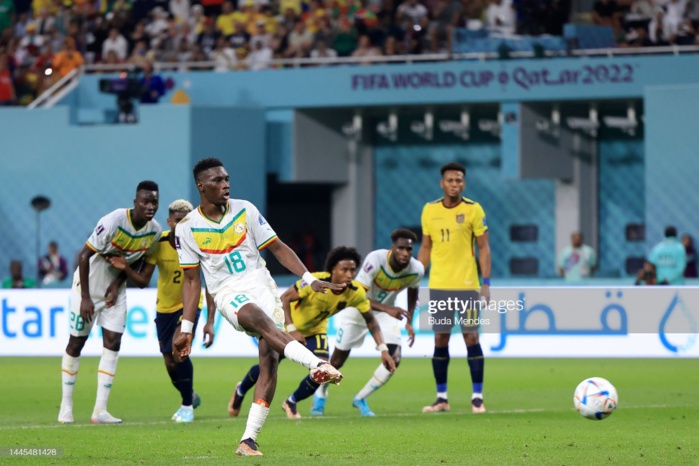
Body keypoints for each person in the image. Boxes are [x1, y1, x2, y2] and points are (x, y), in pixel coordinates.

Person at [173, 158, 345, 457]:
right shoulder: (187, 228)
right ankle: (316, 364)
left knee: (270, 359)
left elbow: (277, 247)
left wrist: (308, 278)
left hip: (262, 285)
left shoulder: (246, 209)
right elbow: (191, 281)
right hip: (227, 292)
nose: (226, 184)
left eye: (227, 178)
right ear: (201, 186)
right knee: (258, 319)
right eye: (217, 180)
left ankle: (248, 440)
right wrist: (187, 328)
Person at [228, 246, 396, 419]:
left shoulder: (356, 292)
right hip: (287, 328)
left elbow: (370, 320)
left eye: (353, 270)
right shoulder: (315, 281)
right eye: (344, 269)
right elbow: (285, 298)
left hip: (316, 331)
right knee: (269, 366)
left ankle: (291, 402)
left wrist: (383, 348)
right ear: (333, 269)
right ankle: (240, 389)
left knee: (324, 370)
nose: (349, 274)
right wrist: (292, 330)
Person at [58, 181, 162, 425]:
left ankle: (100, 410)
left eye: (154, 202)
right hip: (87, 288)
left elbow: (135, 265)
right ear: (135, 202)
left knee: (113, 342)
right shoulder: (114, 220)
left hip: (115, 291)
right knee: (76, 343)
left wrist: (116, 285)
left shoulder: (154, 232)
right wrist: (85, 297)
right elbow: (84, 255)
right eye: (145, 201)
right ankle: (66, 407)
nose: (150, 206)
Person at [106, 199, 215, 423]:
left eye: (187, 221)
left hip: (190, 305)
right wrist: (125, 268)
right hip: (164, 308)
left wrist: (210, 321)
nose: (182, 225)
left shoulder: (201, 244)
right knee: (169, 360)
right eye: (178, 221)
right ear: (169, 222)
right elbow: (143, 280)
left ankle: (186, 407)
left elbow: (212, 284)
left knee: (179, 350)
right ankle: (189, 395)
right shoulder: (159, 242)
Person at [311, 229, 424, 417]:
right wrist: (389, 309)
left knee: (393, 359)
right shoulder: (376, 260)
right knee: (337, 361)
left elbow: (413, 291)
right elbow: (359, 296)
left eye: (409, 250)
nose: (405, 253)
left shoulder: (416, 269)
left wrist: (409, 320)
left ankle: (361, 398)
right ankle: (321, 393)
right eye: (401, 248)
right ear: (392, 248)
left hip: (384, 314)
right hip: (356, 310)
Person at [417, 162, 491, 414]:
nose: (454, 184)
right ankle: (441, 398)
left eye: (459, 180)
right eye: (450, 180)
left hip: (467, 286)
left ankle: (477, 397)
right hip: (438, 285)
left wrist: (486, 283)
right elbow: (425, 248)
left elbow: (483, 248)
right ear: (442, 183)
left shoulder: (473, 210)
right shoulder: (429, 210)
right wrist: (416, 278)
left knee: (471, 337)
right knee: (441, 338)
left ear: (464, 183)